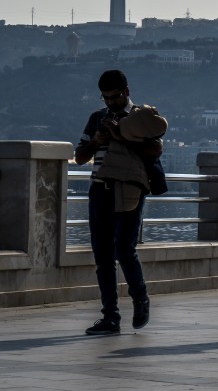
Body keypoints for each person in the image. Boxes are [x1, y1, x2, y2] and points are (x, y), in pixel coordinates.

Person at [74, 69, 163, 335]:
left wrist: (120, 135)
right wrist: (96, 142)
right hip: (99, 190)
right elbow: (79, 157)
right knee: (102, 256)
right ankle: (110, 316)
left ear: (127, 91)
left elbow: (155, 150)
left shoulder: (141, 118)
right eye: (105, 98)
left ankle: (140, 299)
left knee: (124, 249)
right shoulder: (97, 118)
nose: (110, 102)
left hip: (128, 189)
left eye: (114, 97)